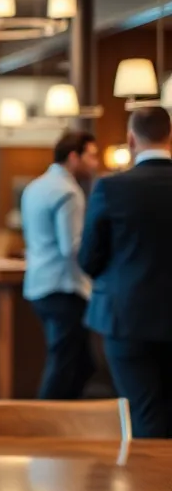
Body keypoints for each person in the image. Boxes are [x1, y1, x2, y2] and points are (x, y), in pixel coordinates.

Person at [80, 107, 172, 438]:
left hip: (126, 316)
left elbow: (89, 258)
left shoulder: (111, 188)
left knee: (144, 411)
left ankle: (155, 489)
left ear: (131, 140)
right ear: (170, 136)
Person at [21, 130, 99, 400]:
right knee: (64, 361)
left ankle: (67, 420)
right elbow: (73, 247)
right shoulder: (68, 192)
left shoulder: (34, 186)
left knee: (81, 363)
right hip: (63, 286)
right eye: (91, 156)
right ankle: (49, 424)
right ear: (74, 157)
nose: (96, 163)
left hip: (38, 283)